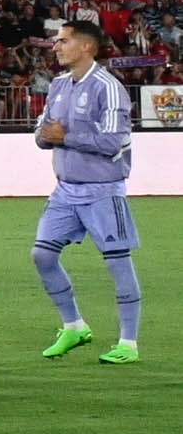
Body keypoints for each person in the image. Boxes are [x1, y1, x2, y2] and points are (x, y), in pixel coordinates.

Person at [28, 18, 144, 365]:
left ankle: (128, 342)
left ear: (86, 47)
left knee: (118, 264)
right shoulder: (59, 86)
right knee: (42, 256)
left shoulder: (108, 88)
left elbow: (113, 142)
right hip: (65, 192)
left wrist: (66, 137)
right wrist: (46, 136)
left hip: (103, 191)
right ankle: (74, 325)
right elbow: (41, 133)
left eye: (63, 41)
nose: (56, 46)